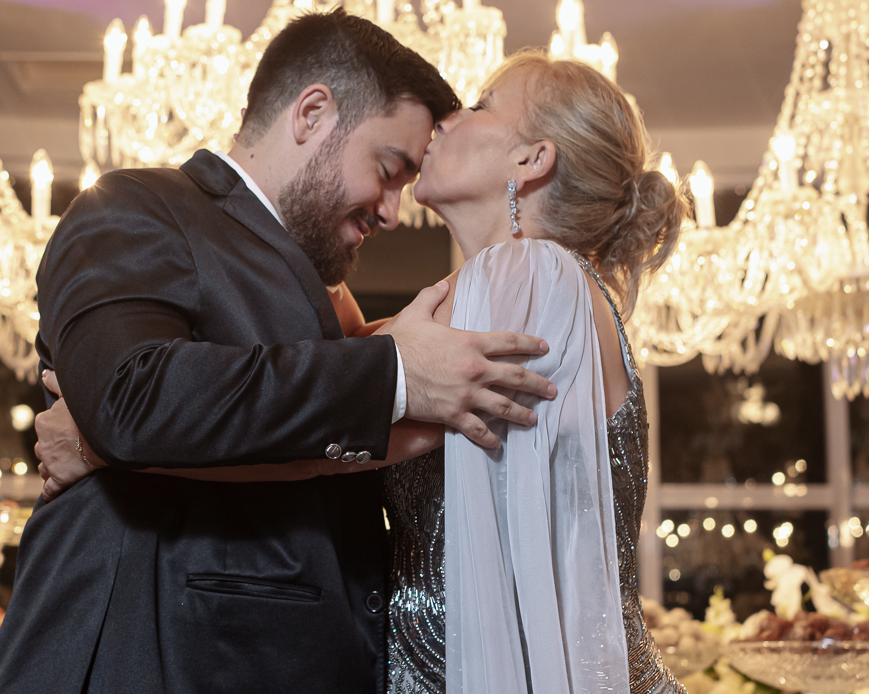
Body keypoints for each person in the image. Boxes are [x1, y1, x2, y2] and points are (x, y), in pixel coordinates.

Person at [36, 49, 689, 693]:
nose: (452, 119)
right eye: (387, 167)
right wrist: (117, 414)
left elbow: (374, 410)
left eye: (482, 105)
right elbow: (346, 391)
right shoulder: (490, 295)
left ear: (532, 158)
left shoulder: (529, 276)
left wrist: (103, 448)